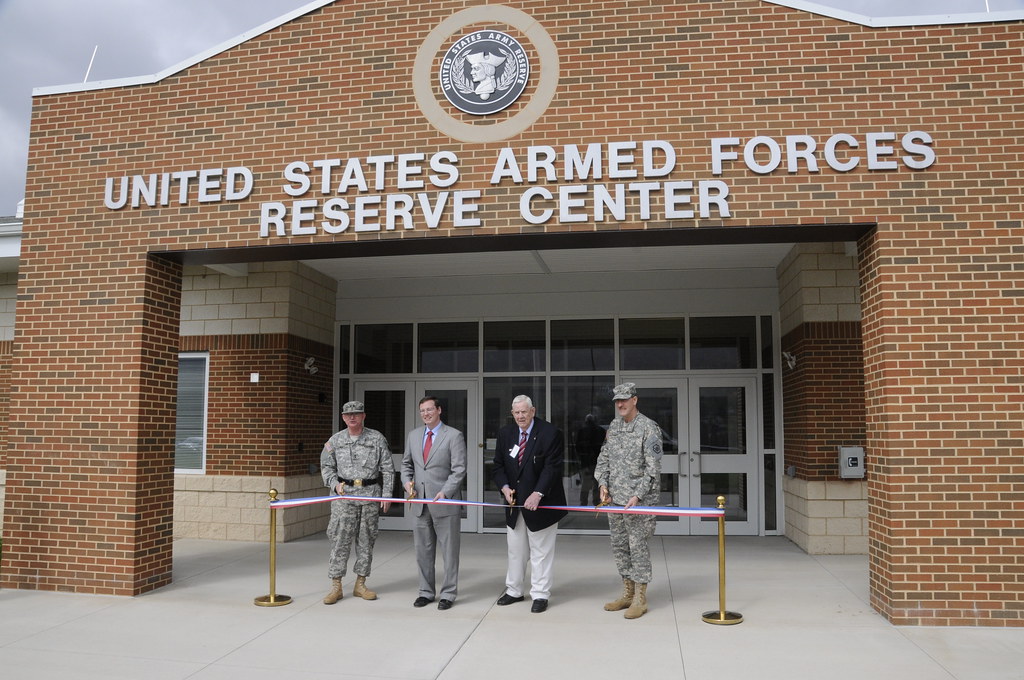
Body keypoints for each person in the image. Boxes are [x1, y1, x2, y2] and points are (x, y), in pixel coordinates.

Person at [492, 395, 568, 613]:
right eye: (516, 412)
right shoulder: (506, 433)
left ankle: (540, 594)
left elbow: (552, 468)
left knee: (541, 552)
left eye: (524, 412)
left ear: (533, 411)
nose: (520, 416)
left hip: (542, 503)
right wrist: (504, 487)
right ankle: (514, 590)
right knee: (516, 551)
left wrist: (538, 493)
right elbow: (498, 466)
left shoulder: (550, 433)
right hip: (514, 504)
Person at [594, 382, 663, 619]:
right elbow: (603, 458)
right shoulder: (613, 427)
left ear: (635, 400)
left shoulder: (648, 428)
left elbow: (653, 470)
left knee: (638, 547)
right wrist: (602, 483)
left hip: (639, 502)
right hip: (615, 501)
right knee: (620, 547)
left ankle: (640, 598)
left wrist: (638, 495)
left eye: (624, 399)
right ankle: (627, 592)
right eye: (617, 401)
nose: (620, 404)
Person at [320, 400, 395, 605]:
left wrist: (387, 495)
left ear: (363, 416)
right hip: (344, 498)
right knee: (339, 540)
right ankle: (336, 586)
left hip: (370, 496)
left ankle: (360, 583)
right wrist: (334, 484)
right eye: (348, 415)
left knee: (366, 540)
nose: (352, 417)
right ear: (343, 418)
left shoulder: (376, 438)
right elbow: (326, 467)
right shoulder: (335, 441)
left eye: (357, 413)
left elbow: (387, 469)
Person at [401, 396, 467, 611]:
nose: (426, 414)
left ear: (439, 410)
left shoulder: (454, 435)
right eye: (422, 411)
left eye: (430, 409)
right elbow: (406, 464)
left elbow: (459, 469)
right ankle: (425, 592)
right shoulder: (414, 435)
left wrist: (445, 492)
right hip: (420, 503)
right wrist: (406, 482)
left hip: (444, 503)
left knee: (449, 552)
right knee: (423, 551)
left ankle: (448, 593)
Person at [575, 411, 605, 505]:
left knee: (586, 483)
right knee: (595, 483)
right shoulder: (601, 430)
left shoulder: (582, 431)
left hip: (587, 460)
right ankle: (595, 501)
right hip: (596, 460)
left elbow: (577, 446)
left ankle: (583, 502)